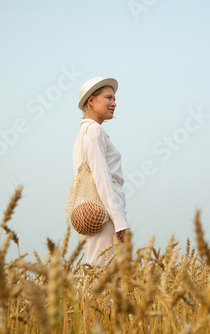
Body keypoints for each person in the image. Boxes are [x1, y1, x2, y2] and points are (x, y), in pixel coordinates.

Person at [72, 76, 129, 266]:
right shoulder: (94, 131)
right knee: (103, 276)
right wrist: (119, 220)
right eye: (108, 98)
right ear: (91, 100)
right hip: (103, 214)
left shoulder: (85, 132)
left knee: (96, 272)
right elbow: (102, 178)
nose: (114, 103)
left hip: (91, 212)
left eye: (114, 99)